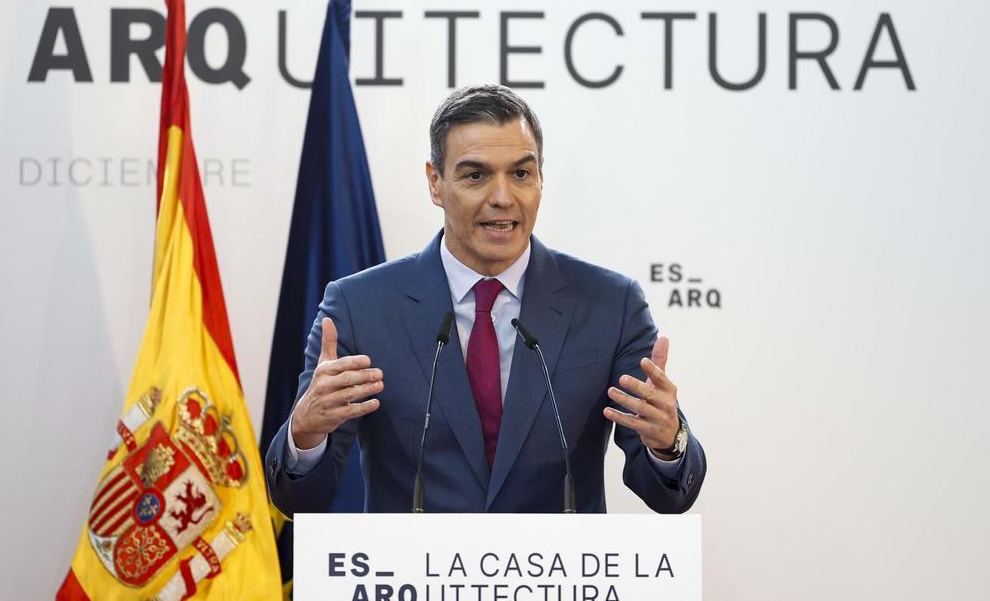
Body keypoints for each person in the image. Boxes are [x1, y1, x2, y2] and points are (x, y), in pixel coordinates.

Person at [265, 84, 705, 513]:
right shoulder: (360, 308)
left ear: (540, 179)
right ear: (435, 183)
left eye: (521, 173)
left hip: (556, 581)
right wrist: (305, 437)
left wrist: (668, 442)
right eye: (476, 175)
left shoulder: (611, 305)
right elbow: (303, 498)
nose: (502, 197)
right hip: (414, 583)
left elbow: (669, 495)